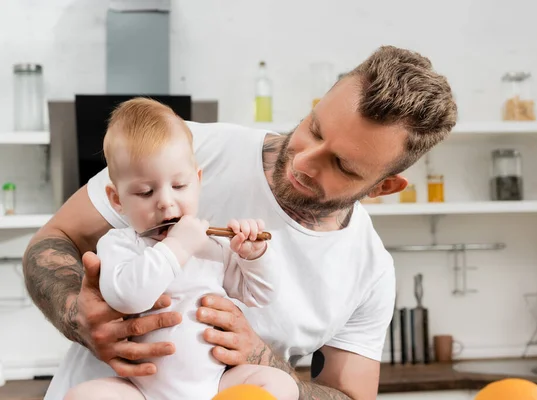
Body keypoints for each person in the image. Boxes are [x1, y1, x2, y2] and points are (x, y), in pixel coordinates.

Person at [24, 45, 457, 400]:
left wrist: (261, 358)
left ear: (383, 187)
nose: (304, 161)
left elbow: (349, 398)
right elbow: (53, 240)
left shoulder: (370, 272)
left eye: (341, 164)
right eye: (315, 128)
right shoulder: (184, 154)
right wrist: (77, 314)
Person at [62, 98, 298, 400]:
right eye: (145, 192)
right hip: (144, 391)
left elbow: (260, 294)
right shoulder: (120, 244)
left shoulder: (213, 245)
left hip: (216, 387)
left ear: (197, 181)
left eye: (179, 186)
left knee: (281, 384)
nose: (165, 202)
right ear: (117, 199)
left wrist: (254, 257)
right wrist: (177, 247)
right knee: (83, 396)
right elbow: (127, 296)